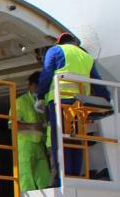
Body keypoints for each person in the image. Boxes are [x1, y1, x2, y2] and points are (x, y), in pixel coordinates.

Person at [36, 33, 107, 181]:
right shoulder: (86, 57)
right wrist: (107, 98)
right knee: (76, 138)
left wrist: (40, 96)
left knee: (61, 140)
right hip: (80, 104)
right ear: (75, 43)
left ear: (59, 42)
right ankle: (75, 174)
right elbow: (97, 80)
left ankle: (64, 176)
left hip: (60, 101)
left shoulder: (56, 50)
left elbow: (47, 74)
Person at [16, 71, 53, 192]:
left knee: (45, 177)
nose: (37, 89)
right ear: (30, 86)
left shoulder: (45, 100)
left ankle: (48, 196)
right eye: (36, 86)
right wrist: (34, 127)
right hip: (25, 147)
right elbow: (13, 125)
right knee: (26, 177)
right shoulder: (20, 102)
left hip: (40, 146)